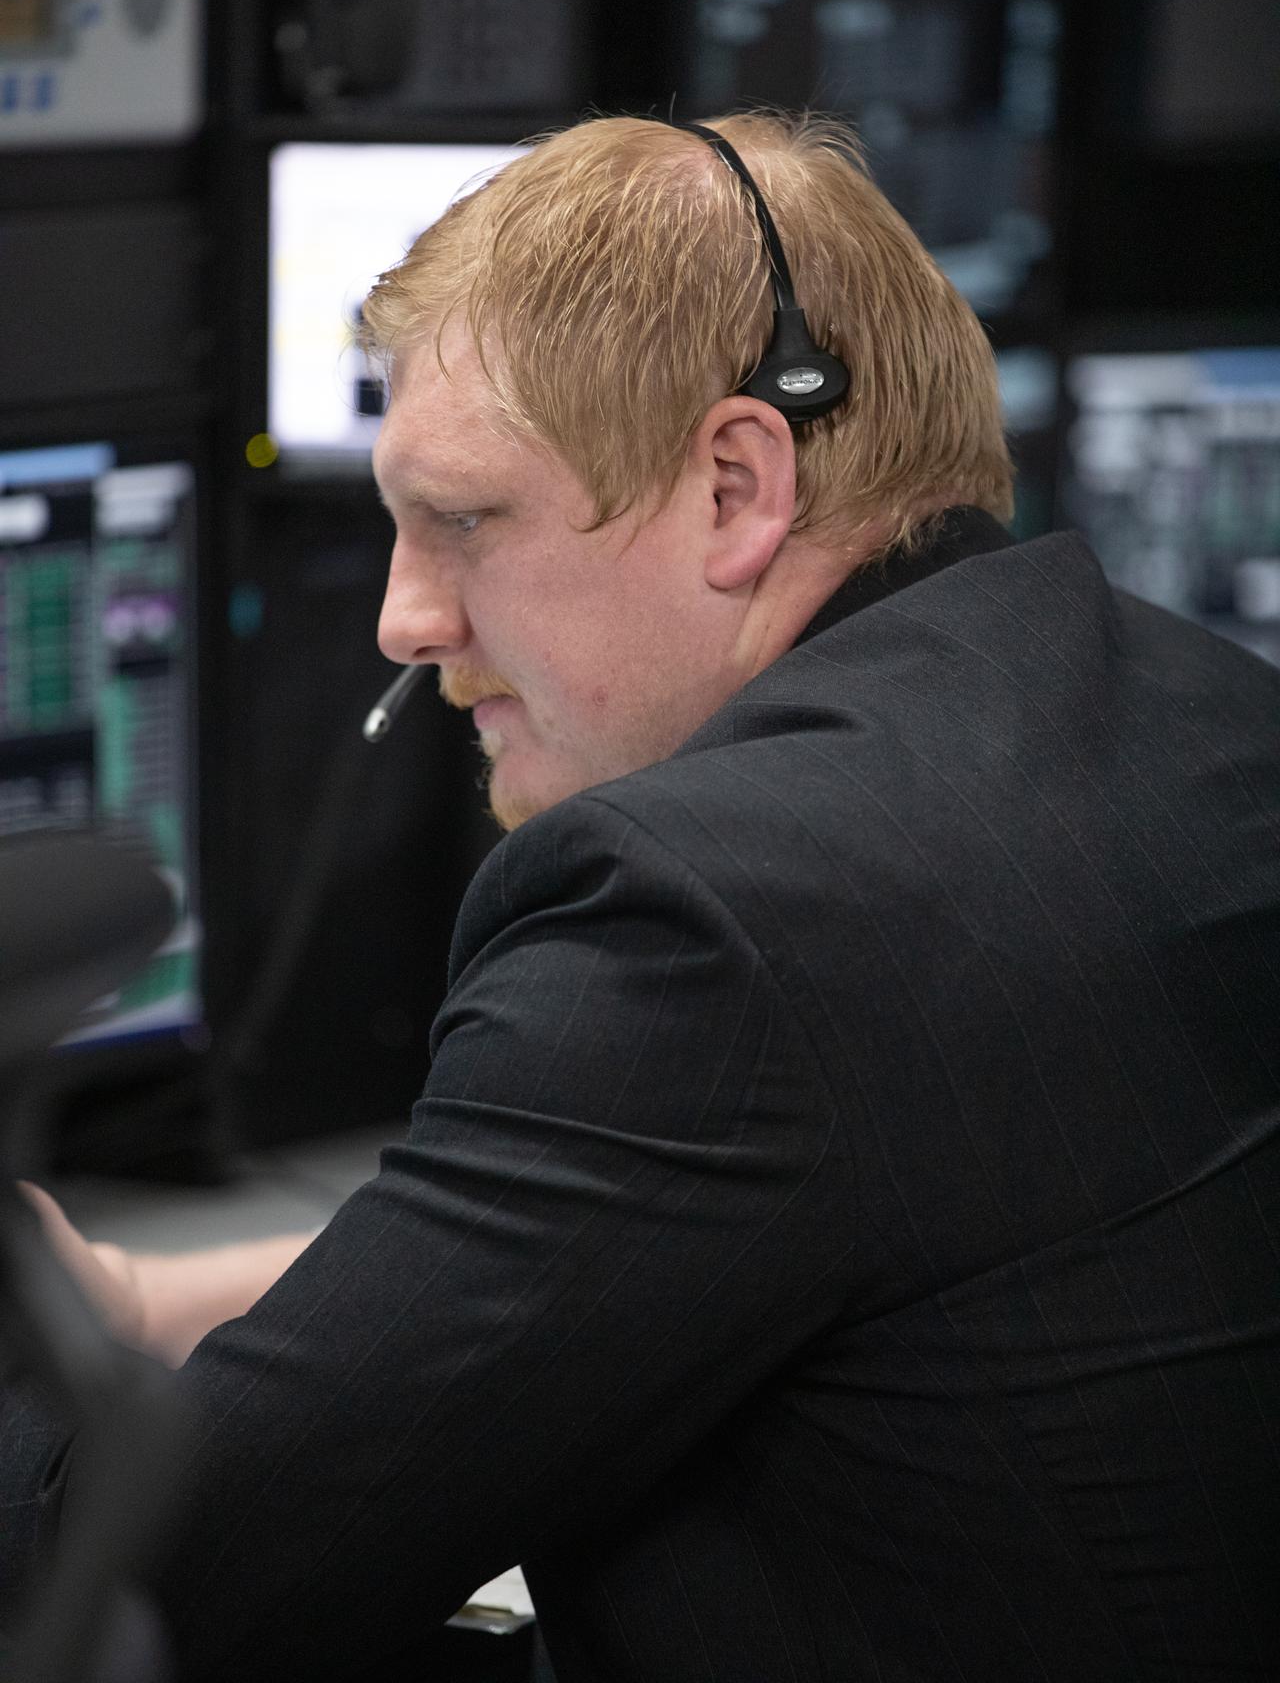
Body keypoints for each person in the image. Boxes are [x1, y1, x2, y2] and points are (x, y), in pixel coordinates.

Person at [4, 110, 1279, 1681]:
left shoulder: (722, 910)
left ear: (742, 484)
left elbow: (139, 1594)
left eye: (465, 520)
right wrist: (134, 1302)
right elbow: (689, 1230)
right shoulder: (1195, 717)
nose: (405, 617)